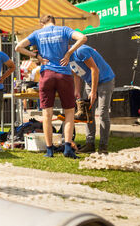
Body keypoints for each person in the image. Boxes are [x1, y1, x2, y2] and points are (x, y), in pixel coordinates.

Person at [15, 14, 87, 158]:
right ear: (54, 22)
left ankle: (49, 150)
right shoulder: (64, 30)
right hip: (63, 75)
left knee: (46, 114)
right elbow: (83, 38)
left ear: (42, 24)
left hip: (46, 75)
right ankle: (67, 147)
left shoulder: (38, 33)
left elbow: (18, 47)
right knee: (69, 113)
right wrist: (69, 53)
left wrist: (37, 57)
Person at [69, 45, 115, 154]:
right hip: (89, 82)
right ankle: (90, 144)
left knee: (103, 114)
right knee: (87, 113)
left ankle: (103, 147)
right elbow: (76, 73)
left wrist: (93, 92)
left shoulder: (80, 50)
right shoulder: (66, 57)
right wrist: (77, 90)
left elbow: (95, 69)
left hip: (105, 81)